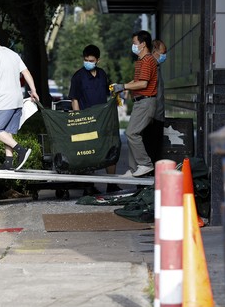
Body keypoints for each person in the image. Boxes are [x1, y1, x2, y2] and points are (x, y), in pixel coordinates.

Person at [0, 32, 40, 170]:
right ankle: (8, 161)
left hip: (3, 100)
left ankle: (21, 150)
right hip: (18, 100)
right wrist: (34, 90)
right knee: (7, 131)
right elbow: (26, 72)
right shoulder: (13, 54)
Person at [68, 45, 121, 192]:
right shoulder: (78, 76)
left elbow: (107, 94)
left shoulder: (102, 74)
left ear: (98, 60)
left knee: (109, 148)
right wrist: (78, 119)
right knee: (89, 153)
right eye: (86, 60)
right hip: (87, 120)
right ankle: (88, 186)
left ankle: (111, 184)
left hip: (103, 119)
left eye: (91, 60)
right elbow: (74, 99)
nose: (88, 62)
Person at [112, 30, 158, 177]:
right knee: (132, 133)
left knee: (132, 133)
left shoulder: (148, 61)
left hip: (146, 102)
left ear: (143, 44)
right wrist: (120, 86)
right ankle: (134, 169)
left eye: (135, 43)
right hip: (140, 102)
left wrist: (123, 87)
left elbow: (143, 84)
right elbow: (136, 82)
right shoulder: (141, 61)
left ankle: (145, 164)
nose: (133, 46)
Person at [143, 39, 167, 163]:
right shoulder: (150, 67)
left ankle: (152, 177)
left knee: (155, 151)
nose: (164, 55)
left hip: (157, 115)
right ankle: (148, 179)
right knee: (152, 150)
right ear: (154, 51)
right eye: (163, 52)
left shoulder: (156, 67)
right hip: (152, 116)